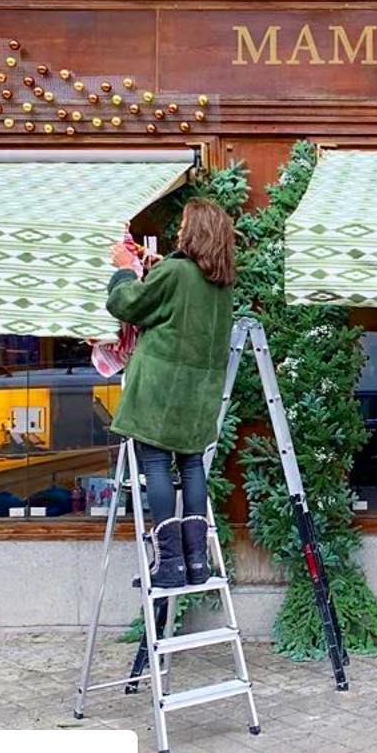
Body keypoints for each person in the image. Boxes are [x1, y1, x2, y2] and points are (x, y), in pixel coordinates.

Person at [106, 199, 235, 588]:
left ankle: (169, 565)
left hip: (161, 388)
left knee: (157, 466)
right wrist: (161, 267)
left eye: (182, 226)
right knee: (192, 465)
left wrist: (125, 271)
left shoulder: (177, 273)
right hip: (199, 394)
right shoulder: (221, 285)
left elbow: (127, 305)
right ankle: (197, 562)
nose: (178, 231)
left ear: (193, 232)